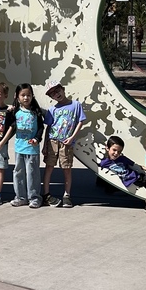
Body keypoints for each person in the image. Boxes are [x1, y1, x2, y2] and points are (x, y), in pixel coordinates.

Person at [42, 80, 87, 208]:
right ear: (51, 97)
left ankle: (67, 195)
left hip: (66, 143)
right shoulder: (52, 109)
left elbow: (80, 121)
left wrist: (72, 137)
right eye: (53, 94)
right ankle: (46, 194)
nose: (57, 94)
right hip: (52, 141)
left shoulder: (75, 105)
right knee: (49, 167)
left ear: (63, 89)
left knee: (66, 168)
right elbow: (49, 127)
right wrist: (45, 145)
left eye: (57, 91)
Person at [11, 83, 45, 208]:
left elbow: (41, 127)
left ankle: (34, 197)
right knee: (18, 172)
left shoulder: (36, 112)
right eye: (23, 95)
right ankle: (20, 197)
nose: (26, 98)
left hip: (32, 149)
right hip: (19, 148)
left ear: (32, 96)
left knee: (32, 173)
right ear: (17, 97)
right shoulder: (15, 111)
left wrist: (37, 138)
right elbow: (9, 126)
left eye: (28, 95)